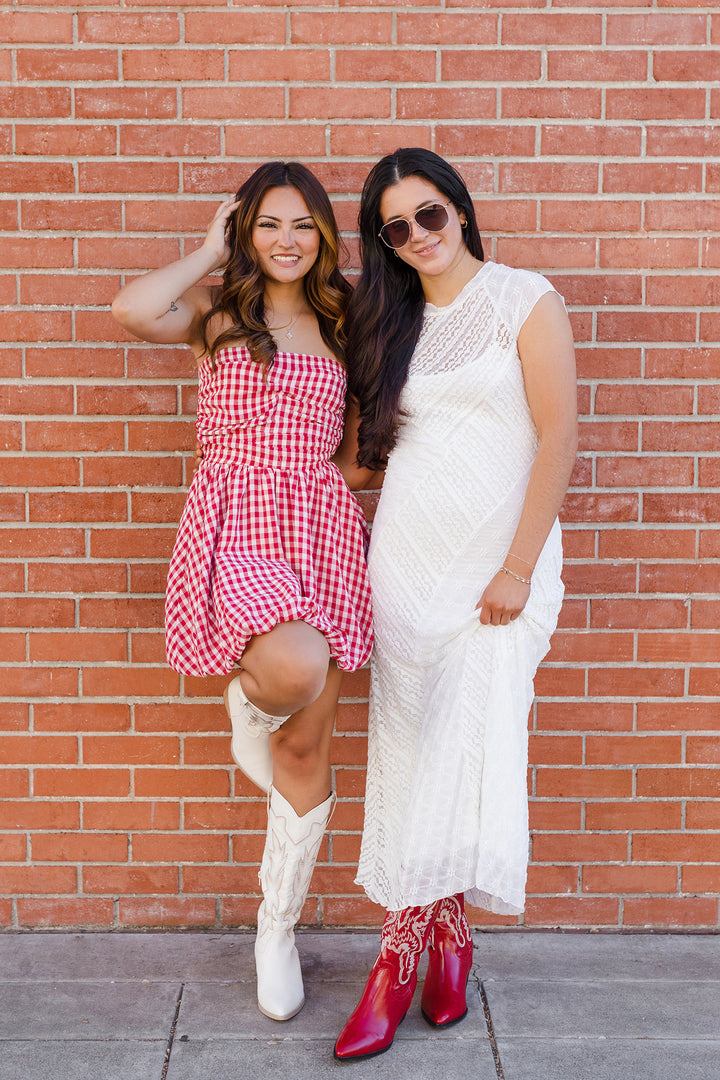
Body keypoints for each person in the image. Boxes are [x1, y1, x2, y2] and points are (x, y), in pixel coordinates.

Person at [111, 161, 373, 1024]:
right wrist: (205, 251)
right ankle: (248, 705)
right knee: (291, 667)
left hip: (320, 525)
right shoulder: (218, 315)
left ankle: (276, 928)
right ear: (244, 233)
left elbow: (355, 454)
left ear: (323, 234)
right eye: (267, 224)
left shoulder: (346, 323)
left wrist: (333, 493)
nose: (287, 241)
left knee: (307, 743)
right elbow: (132, 309)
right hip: (237, 518)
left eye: (302, 225)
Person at [332, 148, 577, 1061]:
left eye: (429, 214)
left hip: (498, 574)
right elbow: (365, 464)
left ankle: (394, 963)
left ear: (460, 211)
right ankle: (450, 940)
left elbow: (559, 435)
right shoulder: (386, 324)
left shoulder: (524, 299)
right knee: (412, 753)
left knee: (459, 745)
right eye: (396, 227)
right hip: (405, 569)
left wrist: (517, 567)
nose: (418, 236)